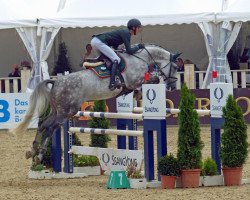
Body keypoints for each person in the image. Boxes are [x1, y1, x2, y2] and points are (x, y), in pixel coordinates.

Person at [91, 18, 144, 91]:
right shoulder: (126, 33)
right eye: (138, 28)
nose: (139, 30)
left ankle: (104, 80)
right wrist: (139, 46)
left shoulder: (124, 32)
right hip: (99, 42)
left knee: (107, 61)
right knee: (116, 59)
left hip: (96, 41)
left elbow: (115, 47)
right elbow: (129, 51)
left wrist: (121, 50)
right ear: (133, 28)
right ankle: (112, 83)